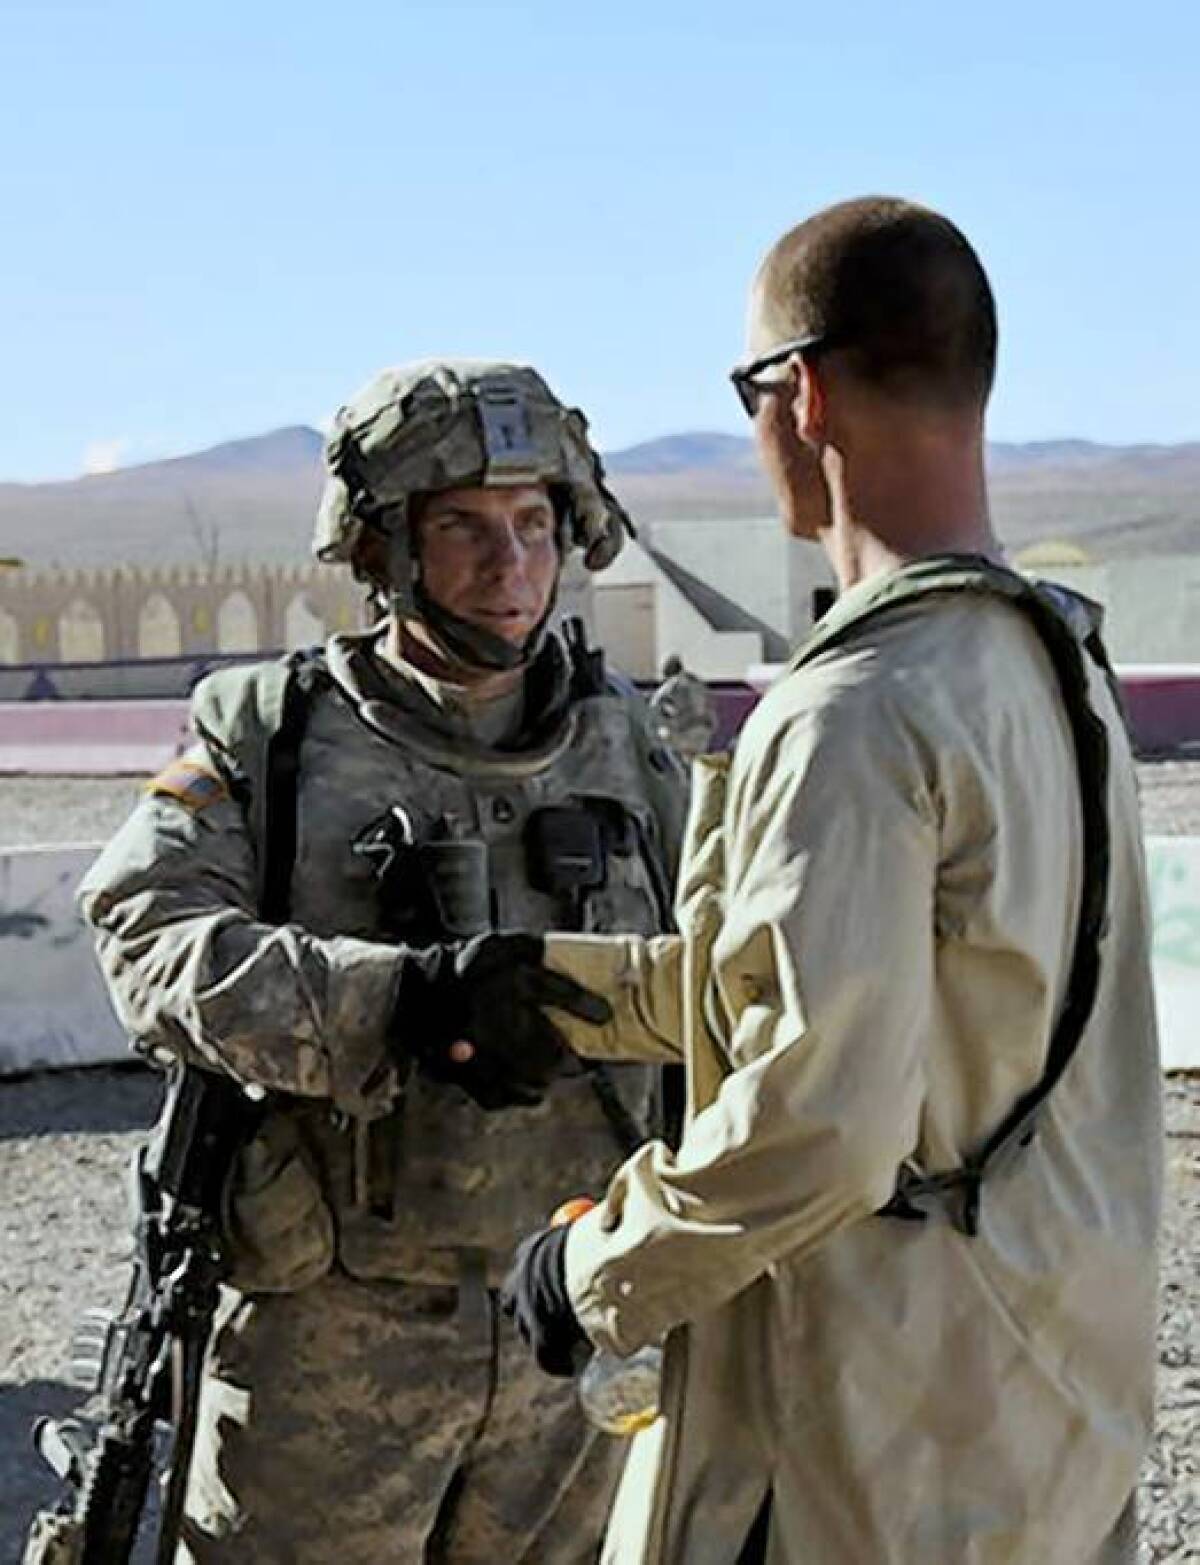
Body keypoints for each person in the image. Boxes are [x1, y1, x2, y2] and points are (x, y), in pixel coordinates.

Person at [498, 200, 1162, 1562]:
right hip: (1043, 1413)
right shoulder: (1053, 667)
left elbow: (825, 1123)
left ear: (800, 393)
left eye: (749, 392)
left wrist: (590, 1273)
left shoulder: (854, 707)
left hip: (871, 1450)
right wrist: (554, 988)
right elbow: (926, 1003)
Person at [77, 361, 687, 1562]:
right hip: (335, 1342)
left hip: (579, 1315)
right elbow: (145, 929)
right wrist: (395, 1003)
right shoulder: (271, 733)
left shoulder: (638, 754)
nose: (507, 562)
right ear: (382, 550)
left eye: (532, 523)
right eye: (461, 525)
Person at [648, 654, 717, 763]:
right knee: (695, 763)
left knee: (663, 736)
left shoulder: (672, 683)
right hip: (703, 731)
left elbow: (655, 705)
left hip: (684, 732)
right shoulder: (697, 682)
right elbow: (711, 706)